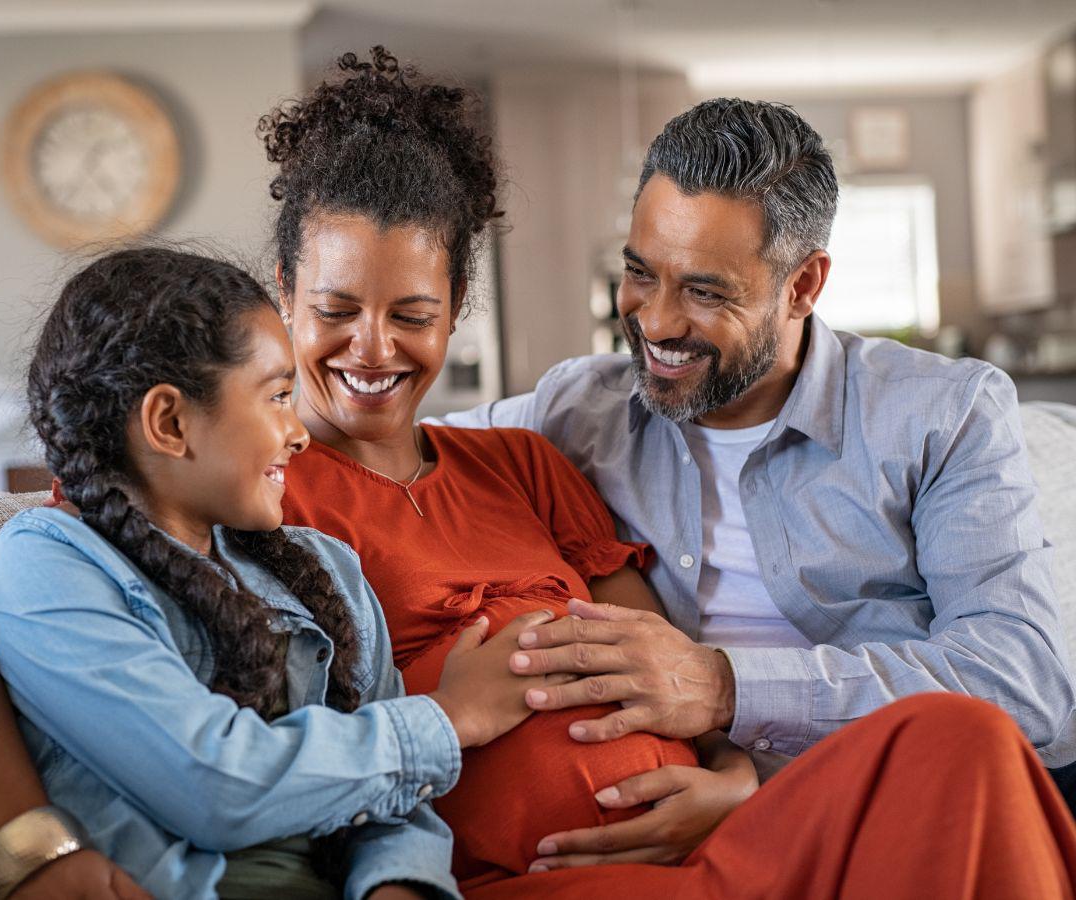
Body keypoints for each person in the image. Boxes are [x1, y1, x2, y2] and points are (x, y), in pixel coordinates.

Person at [0, 52, 1076, 899]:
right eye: (334, 310)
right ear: (281, 295)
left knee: (965, 743)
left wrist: (737, 782)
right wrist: (30, 850)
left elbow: (655, 657)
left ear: (458, 309)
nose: (371, 351)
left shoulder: (532, 448)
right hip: (541, 874)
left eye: (412, 314)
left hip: (723, 840)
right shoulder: (241, 485)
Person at [436, 97, 1076, 865]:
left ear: (803, 286)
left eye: (705, 292)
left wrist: (724, 688)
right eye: (639, 273)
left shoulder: (942, 413)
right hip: (698, 828)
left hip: (895, 802)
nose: (656, 322)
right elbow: (389, 453)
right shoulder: (577, 409)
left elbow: (1020, 681)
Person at [0, 246, 562, 900]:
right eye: (277, 397)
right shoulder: (53, 560)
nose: (299, 433)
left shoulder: (327, 567)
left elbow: (399, 811)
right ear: (169, 422)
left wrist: (399, 884)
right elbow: (214, 787)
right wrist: (448, 718)